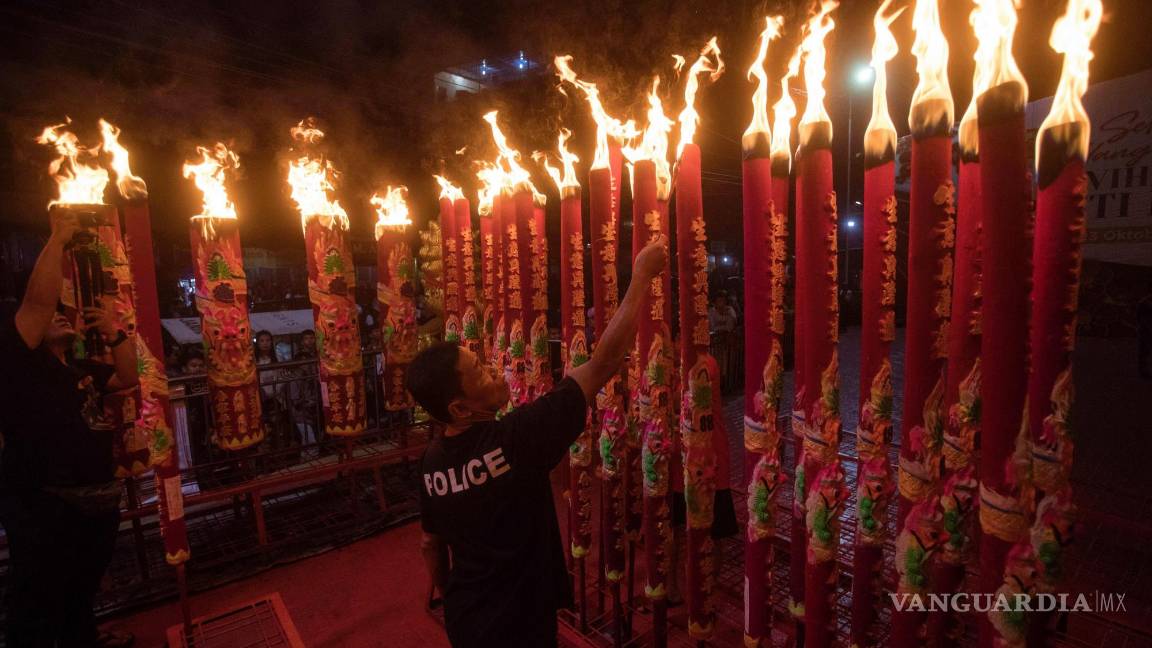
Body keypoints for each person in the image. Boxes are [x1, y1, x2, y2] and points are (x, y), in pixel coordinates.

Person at [409, 236, 669, 648]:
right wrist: (639, 278)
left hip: (466, 617)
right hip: (522, 618)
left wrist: (450, 593)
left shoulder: (431, 463)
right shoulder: (515, 439)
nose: (495, 369)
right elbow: (602, 363)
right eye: (479, 371)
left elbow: (430, 543)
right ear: (459, 408)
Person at [0, 209, 139, 648]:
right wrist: (59, 237)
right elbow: (37, 304)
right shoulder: (20, 364)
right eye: (51, 317)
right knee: (39, 600)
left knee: (80, 592)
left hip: (94, 501)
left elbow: (128, 377)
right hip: (45, 504)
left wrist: (115, 334)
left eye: (65, 315)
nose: (59, 316)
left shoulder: (79, 368)